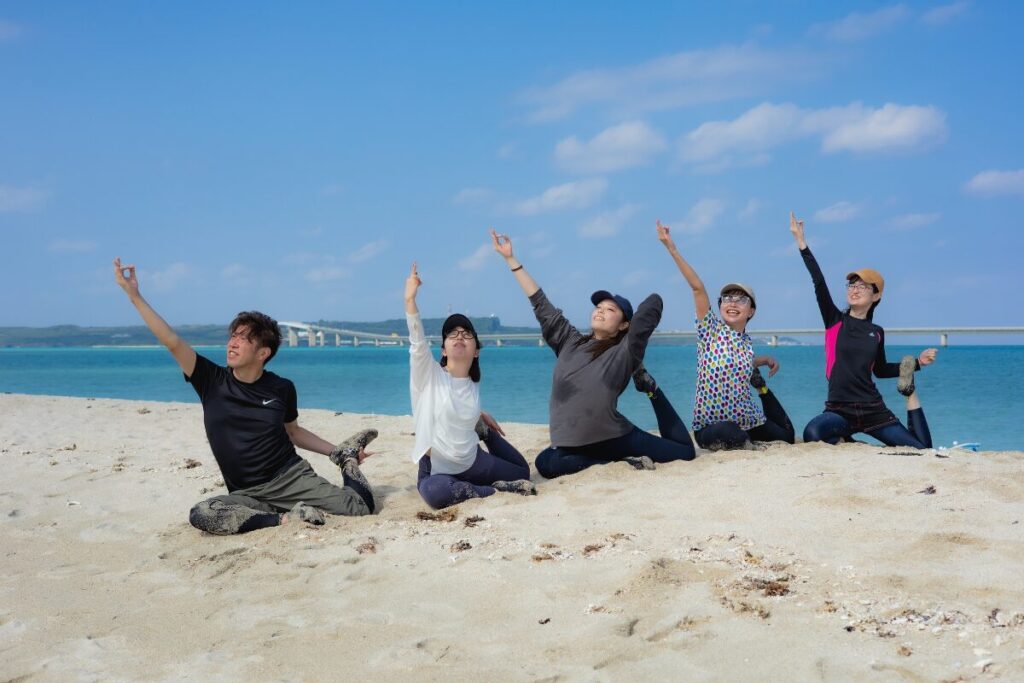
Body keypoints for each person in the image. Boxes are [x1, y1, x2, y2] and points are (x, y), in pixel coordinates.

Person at [113, 258, 378, 535]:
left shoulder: (281, 387)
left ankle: (347, 458)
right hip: (246, 492)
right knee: (203, 513)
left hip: (290, 479)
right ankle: (284, 519)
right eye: (232, 336)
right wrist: (134, 295)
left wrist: (336, 452)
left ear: (263, 353)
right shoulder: (210, 380)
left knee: (361, 507)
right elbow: (171, 341)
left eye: (243, 338)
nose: (232, 342)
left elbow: (293, 432)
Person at [490, 229, 695, 479]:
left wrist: (632, 334)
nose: (600, 311)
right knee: (546, 462)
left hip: (614, 436)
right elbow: (540, 302)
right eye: (598, 307)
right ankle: (616, 464)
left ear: (623, 325)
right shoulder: (569, 340)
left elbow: (654, 303)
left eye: (610, 310)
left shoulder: (624, 351)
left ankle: (651, 387)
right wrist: (511, 260)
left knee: (685, 452)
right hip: (573, 444)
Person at [788, 213, 937, 448]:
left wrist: (917, 363)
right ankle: (850, 441)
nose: (854, 289)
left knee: (922, 449)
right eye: (852, 284)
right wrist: (802, 244)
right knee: (813, 433)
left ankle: (911, 394)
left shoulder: (876, 332)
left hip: (872, 410)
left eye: (862, 286)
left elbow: (879, 370)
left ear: (876, 295)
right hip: (839, 410)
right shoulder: (834, 320)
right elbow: (819, 281)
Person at [654, 220, 795, 450]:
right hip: (711, 426)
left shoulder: (745, 343)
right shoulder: (710, 331)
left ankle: (762, 389)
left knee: (787, 436)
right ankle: (746, 442)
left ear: (751, 311)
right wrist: (672, 248)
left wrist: (763, 360)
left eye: (740, 299)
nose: (732, 302)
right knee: (732, 433)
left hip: (747, 418)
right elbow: (698, 288)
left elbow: (739, 361)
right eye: (727, 298)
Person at [405, 262, 535, 509]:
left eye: (466, 333)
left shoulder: (472, 382)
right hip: (437, 470)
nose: (460, 336)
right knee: (436, 495)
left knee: (522, 472)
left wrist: (479, 417)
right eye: (452, 334)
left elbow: (457, 404)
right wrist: (410, 300)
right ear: (443, 350)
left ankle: (484, 434)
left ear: (476, 351)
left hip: (473, 460)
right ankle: (491, 491)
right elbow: (417, 343)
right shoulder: (428, 376)